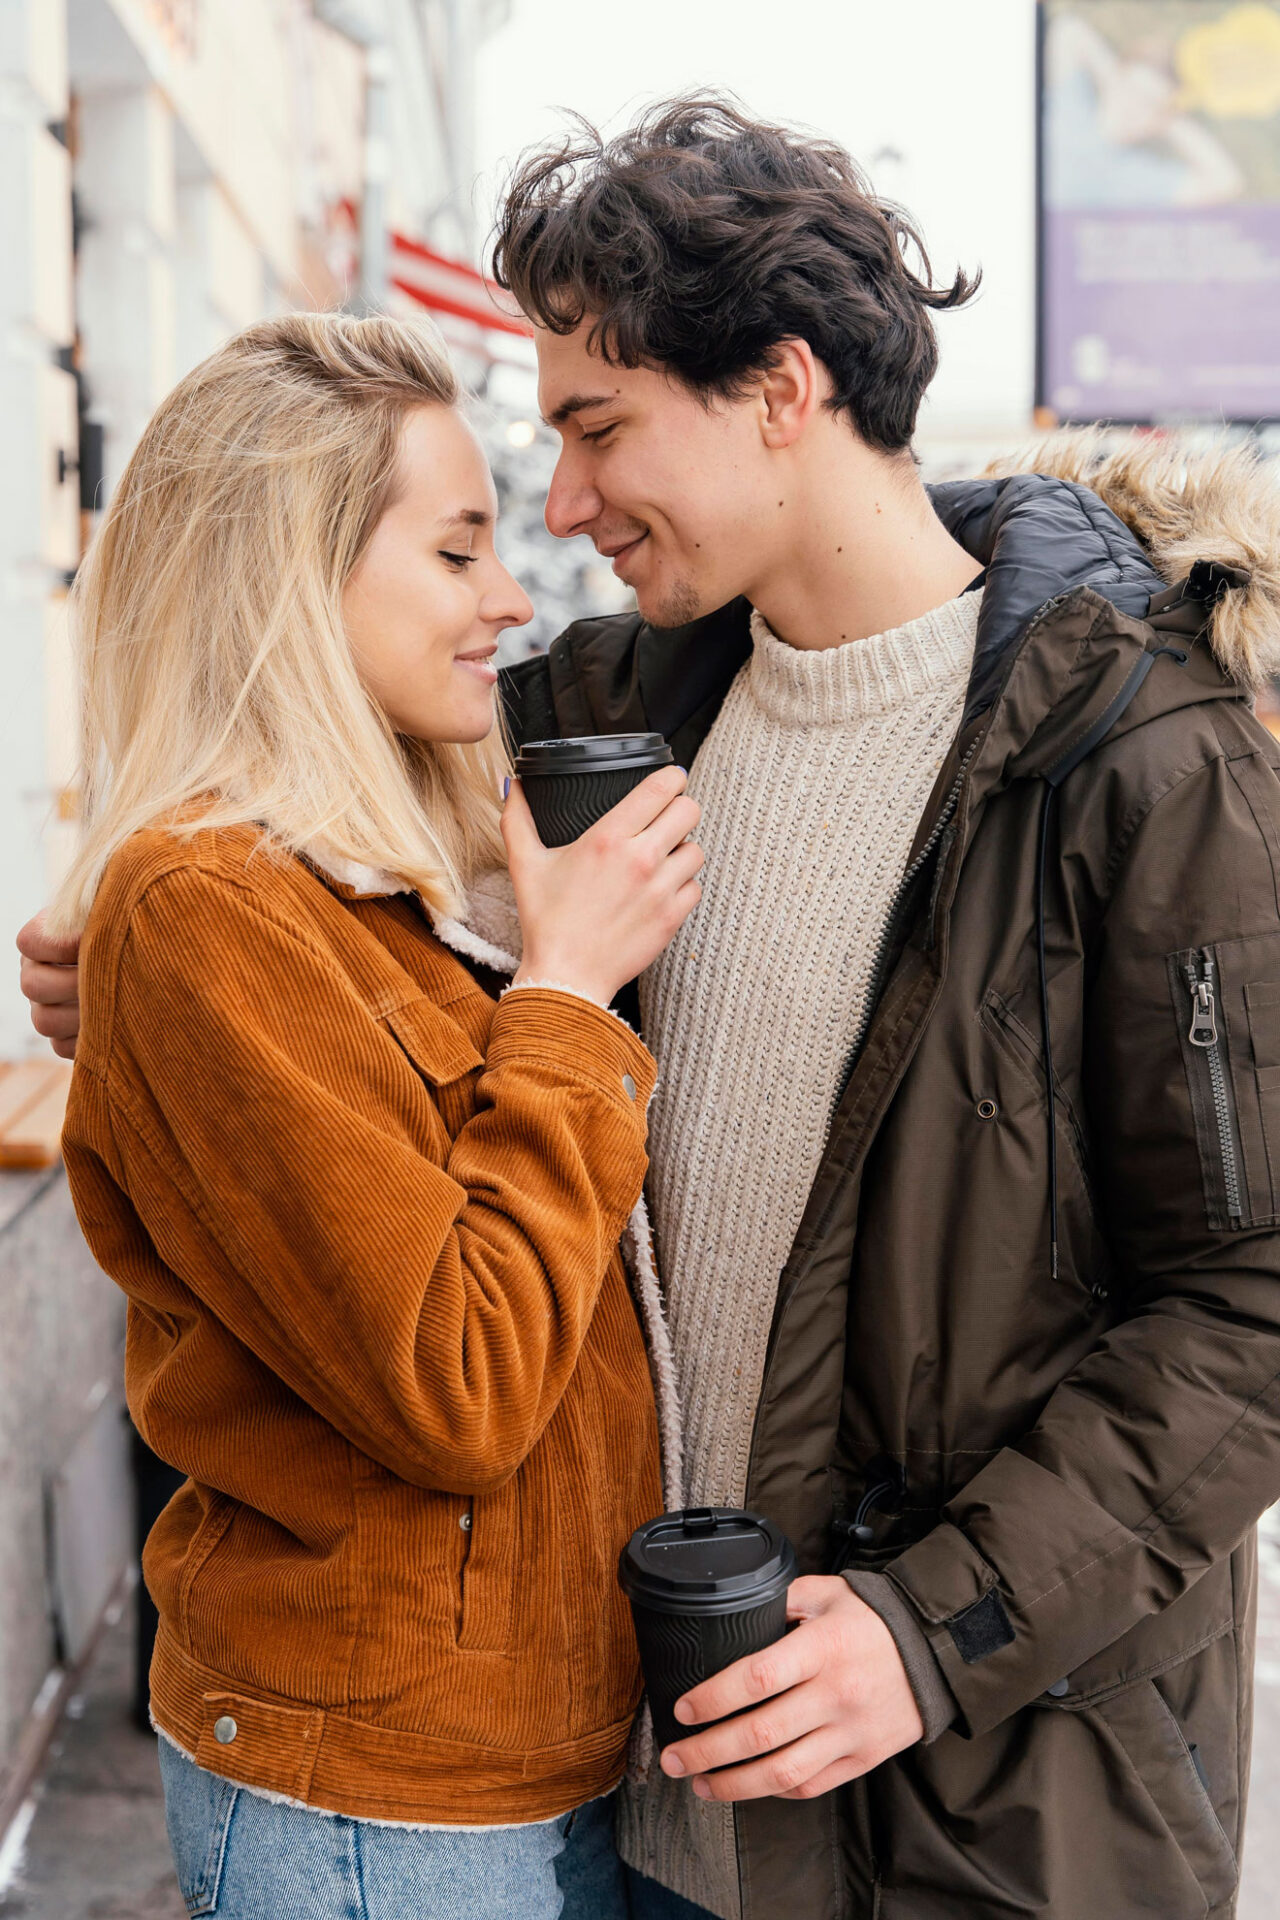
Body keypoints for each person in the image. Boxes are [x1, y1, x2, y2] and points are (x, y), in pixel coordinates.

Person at [22, 95, 1280, 1920]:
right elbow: (283, 822)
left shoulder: (1141, 757)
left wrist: (932, 1632)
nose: (562, 508)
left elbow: (1248, 1301)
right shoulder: (600, 721)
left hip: (982, 1796)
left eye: (599, 430)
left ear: (781, 388)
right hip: (624, 1800)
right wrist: (105, 953)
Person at [25, 310, 703, 1920]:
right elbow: (455, 1381)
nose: (511, 597)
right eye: (457, 549)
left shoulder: (399, 884)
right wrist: (564, 998)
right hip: (385, 1810)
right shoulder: (205, 911)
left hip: (527, 1755)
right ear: (290, 578)